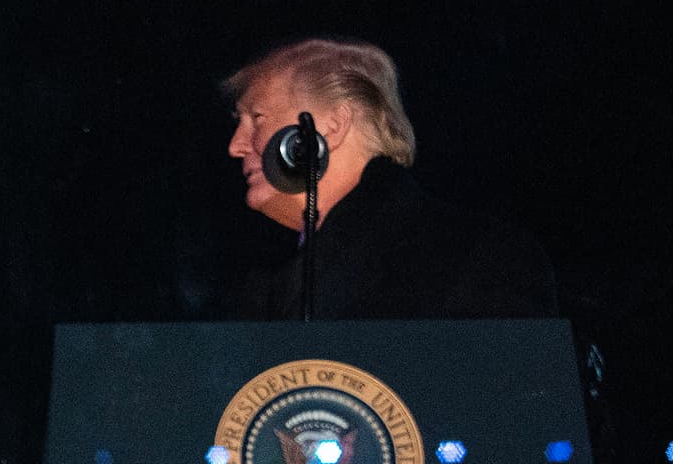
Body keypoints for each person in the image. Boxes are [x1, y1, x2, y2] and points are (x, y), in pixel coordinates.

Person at [225, 37, 558, 319]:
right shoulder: (265, 287)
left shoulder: (479, 255)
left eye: (257, 117)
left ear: (334, 125)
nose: (235, 146)